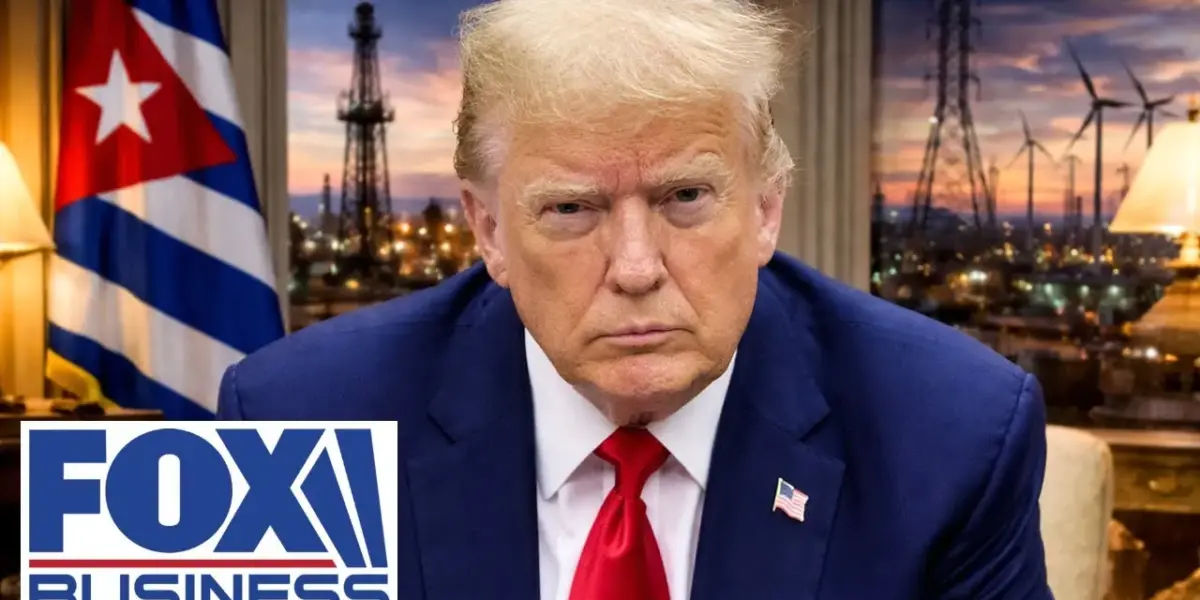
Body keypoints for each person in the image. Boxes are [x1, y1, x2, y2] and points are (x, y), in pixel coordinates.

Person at [217, 0, 1053, 597]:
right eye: (571, 209)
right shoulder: (302, 420)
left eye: (685, 197)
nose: (635, 267)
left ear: (767, 208)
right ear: (488, 229)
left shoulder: (951, 437)